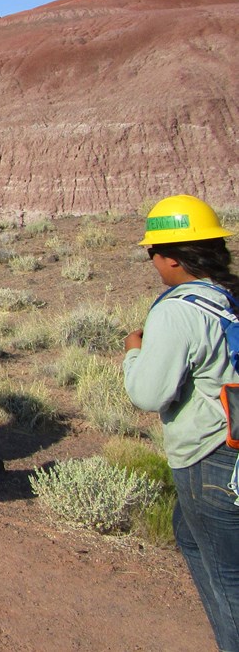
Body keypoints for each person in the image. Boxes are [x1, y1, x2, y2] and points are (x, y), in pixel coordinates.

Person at [123, 194, 239, 650]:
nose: (151, 260)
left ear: (171, 256)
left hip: (208, 461)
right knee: (188, 535)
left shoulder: (177, 309)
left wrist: (134, 351)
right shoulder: (229, 296)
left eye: (151, 252)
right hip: (232, 452)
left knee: (227, 578)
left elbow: (148, 393)